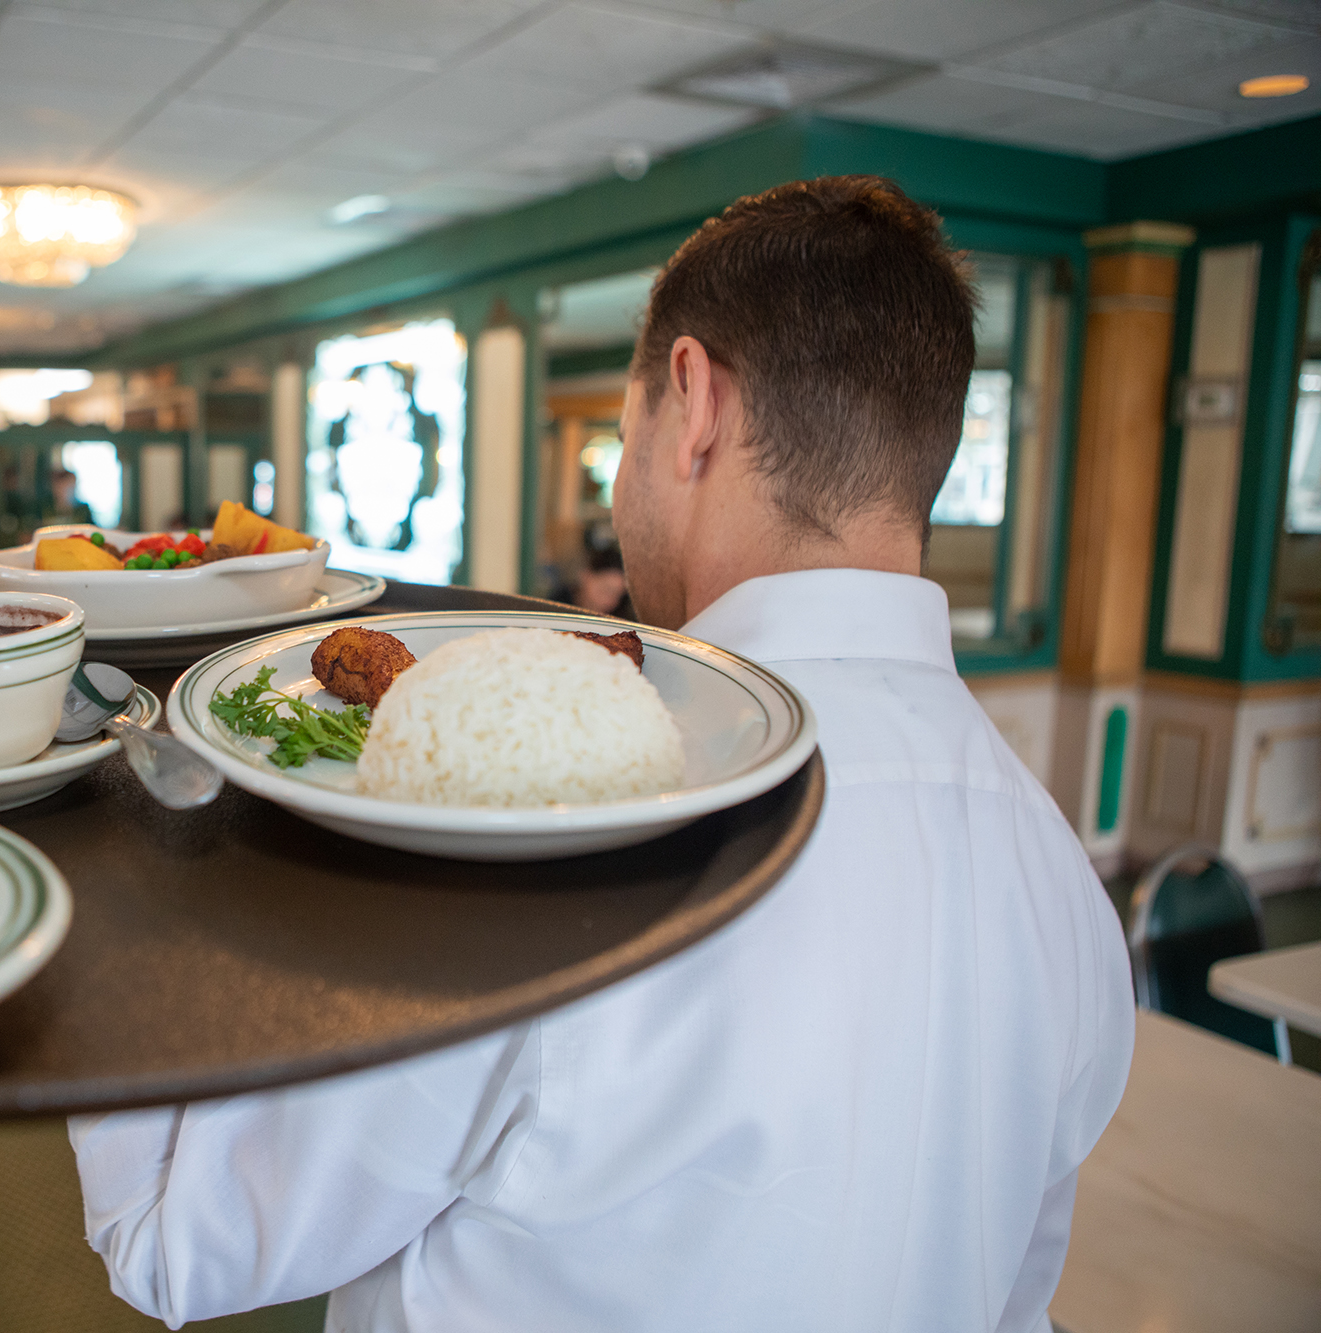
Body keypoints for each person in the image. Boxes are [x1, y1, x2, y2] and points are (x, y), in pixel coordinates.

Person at [70, 177, 1134, 1332]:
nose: (622, 484)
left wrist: (107, 848)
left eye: (621, 443)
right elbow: (1016, 1300)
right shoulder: (1062, 877)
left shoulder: (548, 827)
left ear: (692, 408)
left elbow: (177, 1238)